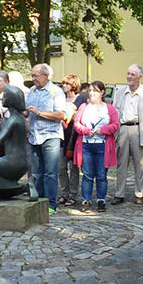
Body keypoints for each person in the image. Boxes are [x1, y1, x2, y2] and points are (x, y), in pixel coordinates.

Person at [111, 64, 143, 204]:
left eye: (132, 74)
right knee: (121, 163)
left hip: (139, 129)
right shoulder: (120, 91)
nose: (129, 77)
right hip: (123, 128)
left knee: (140, 163)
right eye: (128, 74)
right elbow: (115, 112)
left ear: (140, 77)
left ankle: (139, 193)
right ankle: (119, 193)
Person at [73, 81, 120, 212]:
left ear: (102, 92)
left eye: (95, 91)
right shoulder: (83, 107)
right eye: (90, 90)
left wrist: (103, 130)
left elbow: (116, 124)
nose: (92, 93)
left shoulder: (109, 108)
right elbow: (76, 124)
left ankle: (101, 200)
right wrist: (86, 131)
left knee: (101, 175)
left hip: (102, 146)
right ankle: (86, 200)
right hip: (86, 145)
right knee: (87, 175)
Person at [26, 63, 66, 213]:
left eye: (35, 76)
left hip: (50, 137)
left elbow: (61, 114)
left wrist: (40, 113)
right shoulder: (31, 91)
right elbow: (27, 111)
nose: (33, 79)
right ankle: (39, 202)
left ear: (45, 76)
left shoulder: (56, 92)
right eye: (32, 76)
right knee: (36, 173)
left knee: (50, 173)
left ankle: (50, 204)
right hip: (34, 136)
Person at [59, 74, 84, 207]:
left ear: (73, 85)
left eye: (67, 84)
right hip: (61, 137)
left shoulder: (80, 100)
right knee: (61, 167)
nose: (64, 86)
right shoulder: (60, 98)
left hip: (74, 137)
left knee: (74, 168)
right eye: (63, 84)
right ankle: (64, 193)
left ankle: (73, 195)